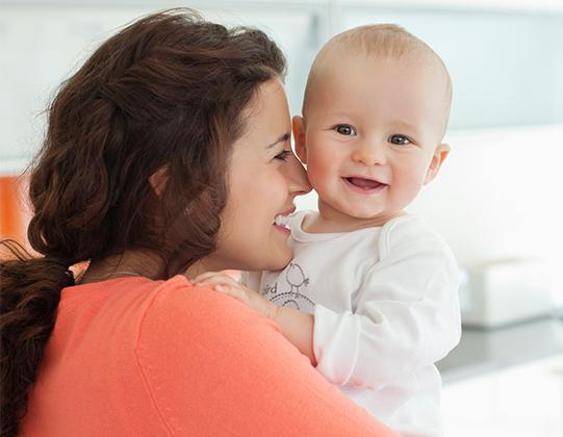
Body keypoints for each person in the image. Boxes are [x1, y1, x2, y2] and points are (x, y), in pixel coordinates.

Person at [0, 9, 395, 437]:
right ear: (177, 185)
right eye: (279, 154)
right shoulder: (179, 322)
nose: (303, 180)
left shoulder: (67, 321)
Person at [194, 24, 461, 437]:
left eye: (399, 139)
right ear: (301, 140)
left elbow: (383, 351)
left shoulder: (411, 251)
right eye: (345, 130)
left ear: (432, 164)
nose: (370, 154)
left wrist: (269, 316)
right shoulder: (282, 237)